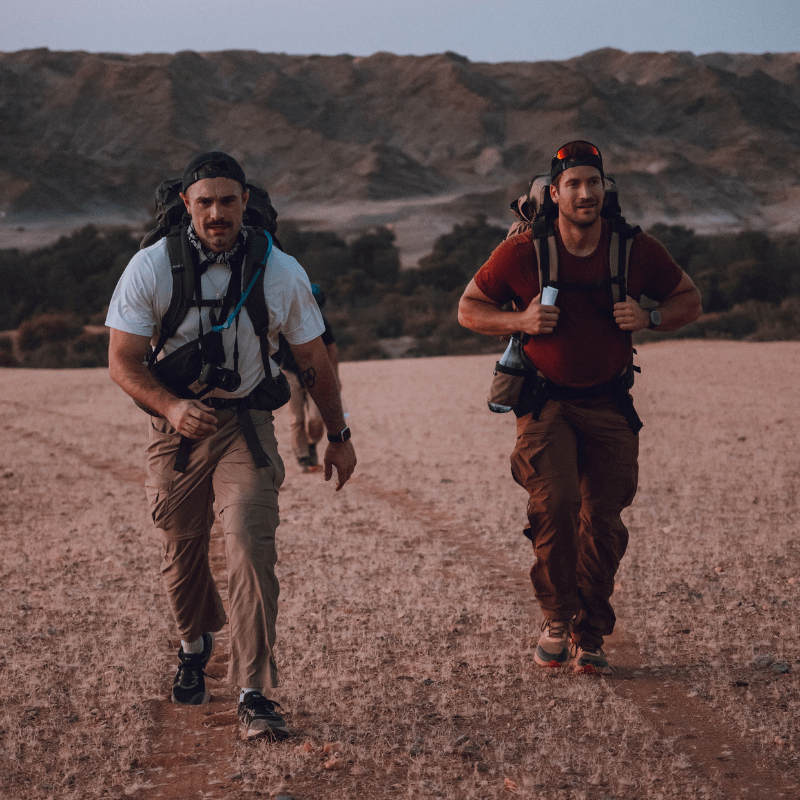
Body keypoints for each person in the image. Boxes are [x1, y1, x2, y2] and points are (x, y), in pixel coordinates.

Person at [106, 151, 356, 739]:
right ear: (187, 206)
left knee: (250, 545)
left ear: (245, 204)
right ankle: (195, 644)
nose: (217, 212)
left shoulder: (280, 269)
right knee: (181, 547)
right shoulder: (150, 267)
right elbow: (122, 360)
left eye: (228, 200)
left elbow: (313, 360)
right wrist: (170, 406)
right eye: (205, 201)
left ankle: (255, 692)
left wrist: (339, 436)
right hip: (176, 430)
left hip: (246, 425)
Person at [458, 141, 701, 674]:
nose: (585, 193)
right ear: (554, 193)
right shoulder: (524, 253)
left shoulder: (636, 250)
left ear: (604, 189)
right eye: (574, 184)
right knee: (556, 508)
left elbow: (690, 298)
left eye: (593, 182)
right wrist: (519, 322)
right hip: (546, 404)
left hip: (610, 402)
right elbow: (469, 308)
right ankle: (556, 616)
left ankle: (589, 634)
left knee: (605, 523)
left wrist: (651, 318)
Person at [276, 285, 341, 473]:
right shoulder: (283, 322)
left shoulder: (321, 323)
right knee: (296, 420)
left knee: (316, 418)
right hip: (290, 374)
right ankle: (303, 457)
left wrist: (335, 377)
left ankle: (312, 443)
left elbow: (331, 350)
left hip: (316, 374)